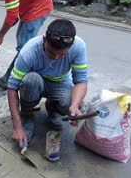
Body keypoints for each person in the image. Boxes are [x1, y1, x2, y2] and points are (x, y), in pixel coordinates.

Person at [6, 19, 88, 148]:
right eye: (50, 52)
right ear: (44, 40)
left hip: (60, 83)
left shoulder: (78, 46)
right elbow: (12, 87)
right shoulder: (29, 51)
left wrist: (75, 105)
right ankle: (27, 114)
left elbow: (81, 81)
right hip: (36, 83)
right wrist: (17, 126)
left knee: (77, 104)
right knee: (31, 80)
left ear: (71, 47)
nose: (55, 57)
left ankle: (53, 109)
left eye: (61, 54)